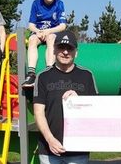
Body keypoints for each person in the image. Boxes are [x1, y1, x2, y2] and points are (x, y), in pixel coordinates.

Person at [33, 30, 98, 164]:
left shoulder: (87, 76)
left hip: (78, 151)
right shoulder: (43, 76)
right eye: (61, 47)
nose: (65, 52)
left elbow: (96, 110)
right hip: (48, 151)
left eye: (70, 48)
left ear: (76, 52)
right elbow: (38, 112)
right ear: (54, 50)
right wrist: (50, 139)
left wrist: (79, 101)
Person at [22, 0, 67, 87]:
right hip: (39, 32)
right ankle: (31, 73)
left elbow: (62, 26)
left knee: (51, 38)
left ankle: (50, 70)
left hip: (52, 32)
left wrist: (48, 31)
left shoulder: (59, 4)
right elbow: (31, 25)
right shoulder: (36, 3)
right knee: (32, 39)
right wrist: (38, 31)